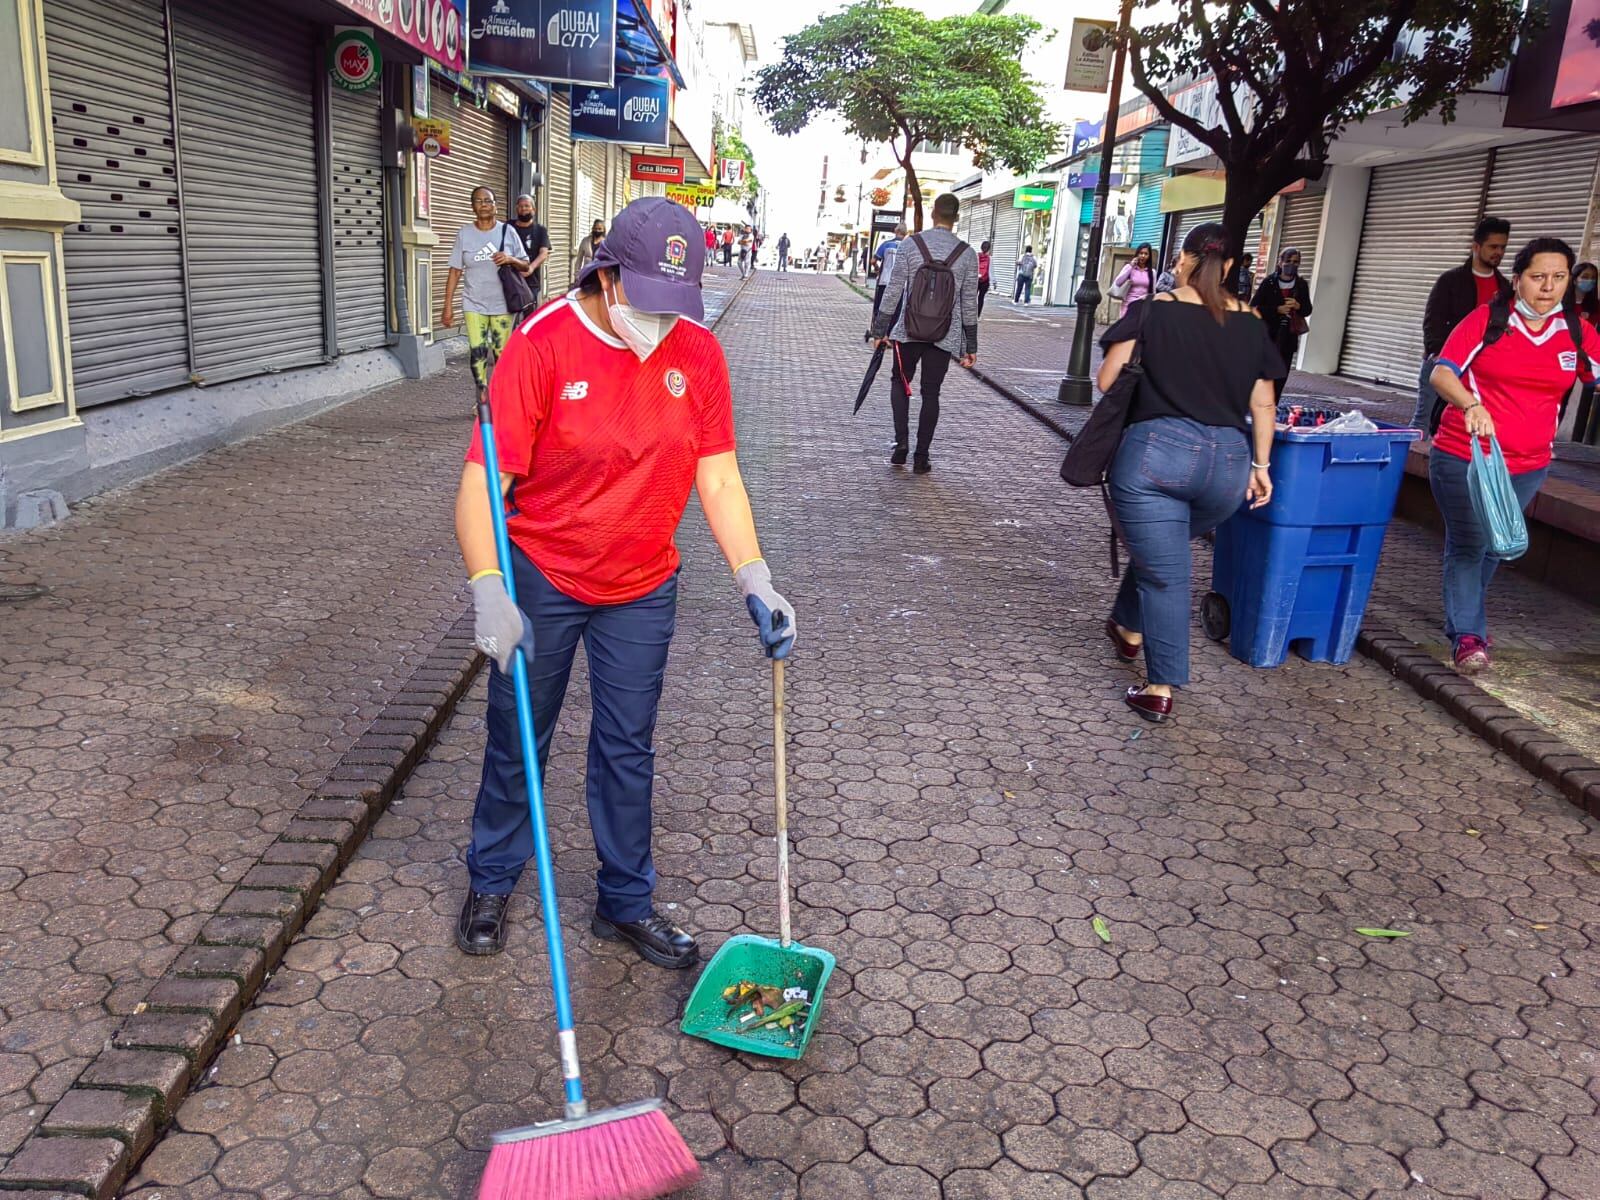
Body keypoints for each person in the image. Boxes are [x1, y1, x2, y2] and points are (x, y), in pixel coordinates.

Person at [454, 196, 797, 965]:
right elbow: (482, 483)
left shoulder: (697, 353)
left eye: (674, 306)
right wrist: (488, 587)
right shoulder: (542, 344)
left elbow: (718, 476)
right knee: (518, 736)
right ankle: (492, 879)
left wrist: (755, 576)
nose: (660, 322)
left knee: (627, 747)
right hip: (543, 574)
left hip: (642, 584)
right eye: (647, 302)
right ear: (607, 277)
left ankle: (625, 902)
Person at [1099, 222, 1284, 724]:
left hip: (1157, 455)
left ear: (1182, 259)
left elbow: (1108, 380)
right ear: (1230, 266)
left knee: (1165, 574)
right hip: (1228, 466)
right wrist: (1261, 466)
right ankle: (1128, 628)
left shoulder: (1151, 310)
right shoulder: (1252, 321)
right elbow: (1264, 404)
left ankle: (1159, 687)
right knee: (1162, 550)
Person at [1427, 236, 1599, 675]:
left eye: (1559, 277)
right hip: (1466, 456)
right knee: (1470, 543)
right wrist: (1471, 404)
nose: (1549, 287)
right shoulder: (1489, 321)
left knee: (1495, 544)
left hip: (1528, 464)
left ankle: (1464, 618)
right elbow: (1442, 373)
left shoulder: (1576, 332)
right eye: (1538, 276)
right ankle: (1468, 636)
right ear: (1518, 279)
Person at [869, 192, 979, 474]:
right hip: (944, 335)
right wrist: (970, 345)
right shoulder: (967, 254)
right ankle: (921, 457)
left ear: (932, 214)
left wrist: (880, 330)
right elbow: (969, 303)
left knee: (899, 381)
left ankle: (901, 443)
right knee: (932, 392)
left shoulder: (911, 244)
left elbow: (893, 291)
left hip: (908, 330)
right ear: (956, 218)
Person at [1413, 217, 1513, 432]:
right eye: (1493, 246)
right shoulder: (1451, 281)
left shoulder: (1505, 288)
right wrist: (1437, 353)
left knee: (1463, 423)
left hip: (1479, 369)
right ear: (1476, 246)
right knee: (1424, 421)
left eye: (1503, 247)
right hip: (1443, 362)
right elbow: (1433, 320)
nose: (1499, 252)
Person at [441, 185, 530, 401]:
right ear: (472, 206)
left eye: (488, 201)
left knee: (501, 353)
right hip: (473, 303)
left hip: (502, 304)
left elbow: (526, 264)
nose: (484, 205)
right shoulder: (464, 234)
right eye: (479, 201)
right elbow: (455, 271)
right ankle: (481, 394)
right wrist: (447, 306)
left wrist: (510, 259)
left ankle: (499, 396)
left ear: (495, 206)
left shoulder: (508, 231)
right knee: (477, 350)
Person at [1252, 246, 1312, 399]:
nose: (1291, 265)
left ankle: (1273, 405)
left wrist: (1298, 306)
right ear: (1280, 262)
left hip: (1288, 337)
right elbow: (1255, 306)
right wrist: (1276, 309)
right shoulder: (1269, 282)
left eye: (1295, 262)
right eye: (1288, 261)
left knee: (1280, 375)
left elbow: (1307, 310)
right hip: (1268, 335)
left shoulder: (1301, 285)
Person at [1571, 261, 1600, 443]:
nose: (1589, 281)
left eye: (1593, 278)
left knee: (1585, 404)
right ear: (1574, 279)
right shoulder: (1563, 302)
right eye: (1585, 277)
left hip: (1587, 362)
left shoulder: (1595, 307)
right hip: (1564, 358)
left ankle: (1577, 440)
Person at [509, 193, 552, 302]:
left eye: (527, 206)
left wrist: (530, 268)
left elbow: (544, 253)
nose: (523, 209)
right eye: (520, 206)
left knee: (529, 309)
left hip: (531, 282)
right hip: (510, 279)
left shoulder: (540, 230)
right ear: (516, 209)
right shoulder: (508, 227)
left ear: (534, 209)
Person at [870, 223, 908, 337]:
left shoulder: (886, 244)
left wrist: (877, 269)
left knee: (880, 307)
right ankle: (890, 334)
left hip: (885, 281)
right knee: (897, 310)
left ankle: (878, 334)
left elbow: (873, 261)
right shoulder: (908, 247)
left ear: (896, 231)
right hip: (900, 284)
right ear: (905, 233)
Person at [1112, 243, 1156, 318]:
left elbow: (1153, 292)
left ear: (1149, 256)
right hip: (1128, 306)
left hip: (1143, 307)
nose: (1143, 256)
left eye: (1146, 254)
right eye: (1141, 253)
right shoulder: (1130, 268)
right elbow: (1118, 282)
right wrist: (1130, 266)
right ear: (1137, 254)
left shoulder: (1152, 272)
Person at [977, 240, 992, 316]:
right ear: (989, 248)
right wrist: (994, 282)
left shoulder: (976, 256)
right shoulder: (990, 258)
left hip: (976, 279)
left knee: (972, 298)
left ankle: (970, 313)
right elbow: (991, 271)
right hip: (985, 281)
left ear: (981, 247)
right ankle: (978, 315)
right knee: (981, 298)